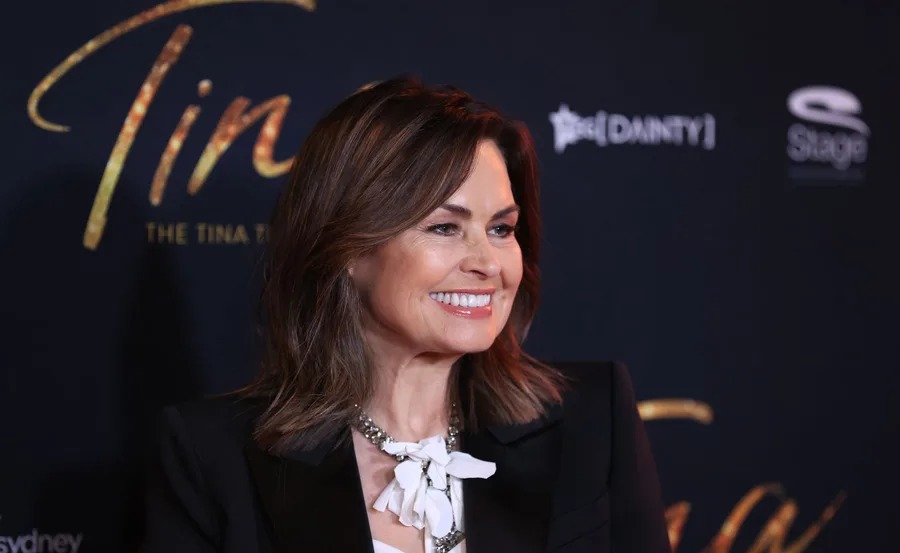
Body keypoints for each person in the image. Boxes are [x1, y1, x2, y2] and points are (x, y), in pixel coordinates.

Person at [138, 76, 670, 553]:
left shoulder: (592, 423)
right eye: (444, 228)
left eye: (501, 229)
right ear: (346, 247)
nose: (487, 263)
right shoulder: (214, 458)